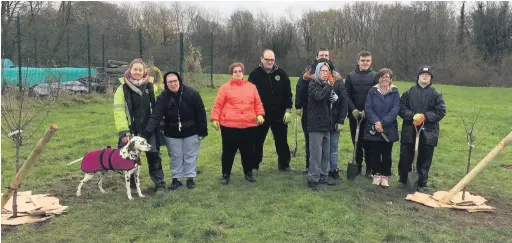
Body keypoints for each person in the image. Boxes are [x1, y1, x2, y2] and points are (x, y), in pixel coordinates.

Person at [142, 71, 207, 191]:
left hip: (191, 131)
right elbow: (155, 116)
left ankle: (190, 178)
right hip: (171, 133)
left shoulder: (192, 93)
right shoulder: (162, 98)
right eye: (169, 82)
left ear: (179, 81)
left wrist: (202, 130)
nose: (173, 84)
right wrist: (147, 132)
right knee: (175, 156)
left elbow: (201, 112)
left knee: (190, 155)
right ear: (166, 84)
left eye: (175, 81)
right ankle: (176, 179)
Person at [113, 58, 165, 193]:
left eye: (140, 70)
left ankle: (159, 184)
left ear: (144, 72)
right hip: (130, 129)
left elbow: (160, 90)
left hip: (149, 129)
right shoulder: (121, 89)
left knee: (154, 154)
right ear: (130, 70)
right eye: (135, 69)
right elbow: (119, 111)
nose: (137, 72)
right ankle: (132, 186)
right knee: (129, 156)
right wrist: (124, 132)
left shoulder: (151, 87)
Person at [211, 62, 265, 185]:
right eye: (235, 71)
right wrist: (215, 118)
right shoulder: (224, 88)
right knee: (228, 152)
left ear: (243, 72)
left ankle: (248, 173)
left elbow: (257, 103)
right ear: (231, 74)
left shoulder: (251, 87)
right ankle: (226, 174)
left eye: (240, 71)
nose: (238, 73)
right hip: (229, 126)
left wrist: (259, 114)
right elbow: (218, 104)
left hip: (249, 125)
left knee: (248, 151)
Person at [398, 66, 446, 192]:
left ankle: (421, 182)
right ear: (418, 77)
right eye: (423, 74)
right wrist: (412, 115)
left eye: (428, 75)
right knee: (405, 156)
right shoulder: (409, 92)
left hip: (428, 131)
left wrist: (425, 117)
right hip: (410, 129)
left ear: (431, 78)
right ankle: (404, 179)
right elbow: (401, 108)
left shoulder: (436, 94)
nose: (425, 76)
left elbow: (441, 111)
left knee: (425, 157)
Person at [295, 48, 342, 174]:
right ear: (316, 57)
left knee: (326, 145)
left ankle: (323, 170)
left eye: (326, 55)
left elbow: (340, 93)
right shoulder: (309, 72)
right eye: (322, 55)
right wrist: (298, 106)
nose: (324, 57)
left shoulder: (334, 73)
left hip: (329, 113)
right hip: (310, 111)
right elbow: (300, 89)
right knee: (311, 141)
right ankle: (309, 167)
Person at [248, 49, 293, 172]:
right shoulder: (254, 75)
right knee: (257, 140)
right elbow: (250, 96)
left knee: (282, 140)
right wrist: (256, 113)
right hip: (261, 114)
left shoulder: (282, 74)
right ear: (261, 59)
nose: (269, 62)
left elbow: (288, 94)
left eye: (272, 59)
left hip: (279, 114)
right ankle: (254, 165)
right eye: (267, 59)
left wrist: (288, 110)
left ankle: (284, 164)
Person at [363, 68, 400, 187]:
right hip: (374, 127)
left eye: (387, 77)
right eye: (382, 76)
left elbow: (395, 110)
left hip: (388, 127)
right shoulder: (372, 91)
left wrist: (382, 123)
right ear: (378, 78)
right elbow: (368, 108)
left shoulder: (395, 91)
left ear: (391, 79)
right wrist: (376, 122)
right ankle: (376, 174)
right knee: (374, 152)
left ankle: (385, 176)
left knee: (386, 153)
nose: (384, 79)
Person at [345, 51, 378, 177]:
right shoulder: (351, 76)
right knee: (357, 141)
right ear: (358, 61)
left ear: (371, 62)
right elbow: (346, 95)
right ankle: (357, 166)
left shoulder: (375, 76)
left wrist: (368, 111)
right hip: (355, 116)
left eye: (367, 61)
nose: (365, 63)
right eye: (363, 60)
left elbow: (377, 96)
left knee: (369, 143)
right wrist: (353, 110)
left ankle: (370, 169)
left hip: (370, 116)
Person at [306, 61, 337, 190]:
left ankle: (323, 177)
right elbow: (319, 97)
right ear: (318, 72)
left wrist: (333, 96)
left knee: (325, 153)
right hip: (315, 124)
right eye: (323, 71)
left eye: (327, 71)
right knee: (316, 154)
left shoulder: (326, 85)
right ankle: (313, 179)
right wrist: (329, 85)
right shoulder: (313, 84)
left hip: (326, 124)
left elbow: (329, 98)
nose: (325, 73)